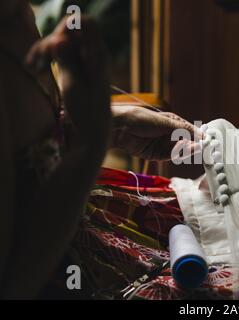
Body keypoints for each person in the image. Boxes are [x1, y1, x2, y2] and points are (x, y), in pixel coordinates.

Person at [0, 1, 197, 299]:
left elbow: (28, 147)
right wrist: (91, 144)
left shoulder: (16, 13)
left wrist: (112, 123)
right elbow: (13, 283)